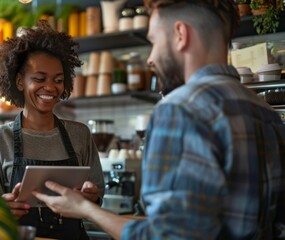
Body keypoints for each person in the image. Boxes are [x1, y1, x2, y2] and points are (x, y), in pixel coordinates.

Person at [33, 0, 285, 239]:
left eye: (154, 41)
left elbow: (162, 236)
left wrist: (86, 209)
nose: (151, 58)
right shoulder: (267, 113)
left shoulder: (179, 110)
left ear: (180, 35)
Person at [0, 20, 104, 240]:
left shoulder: (80, 134)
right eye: (39, 79)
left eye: (58, 80)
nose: (50, 87)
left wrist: (91, 197)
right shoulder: (1, 139)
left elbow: (97, 195)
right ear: (19, 81)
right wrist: (2, 207)